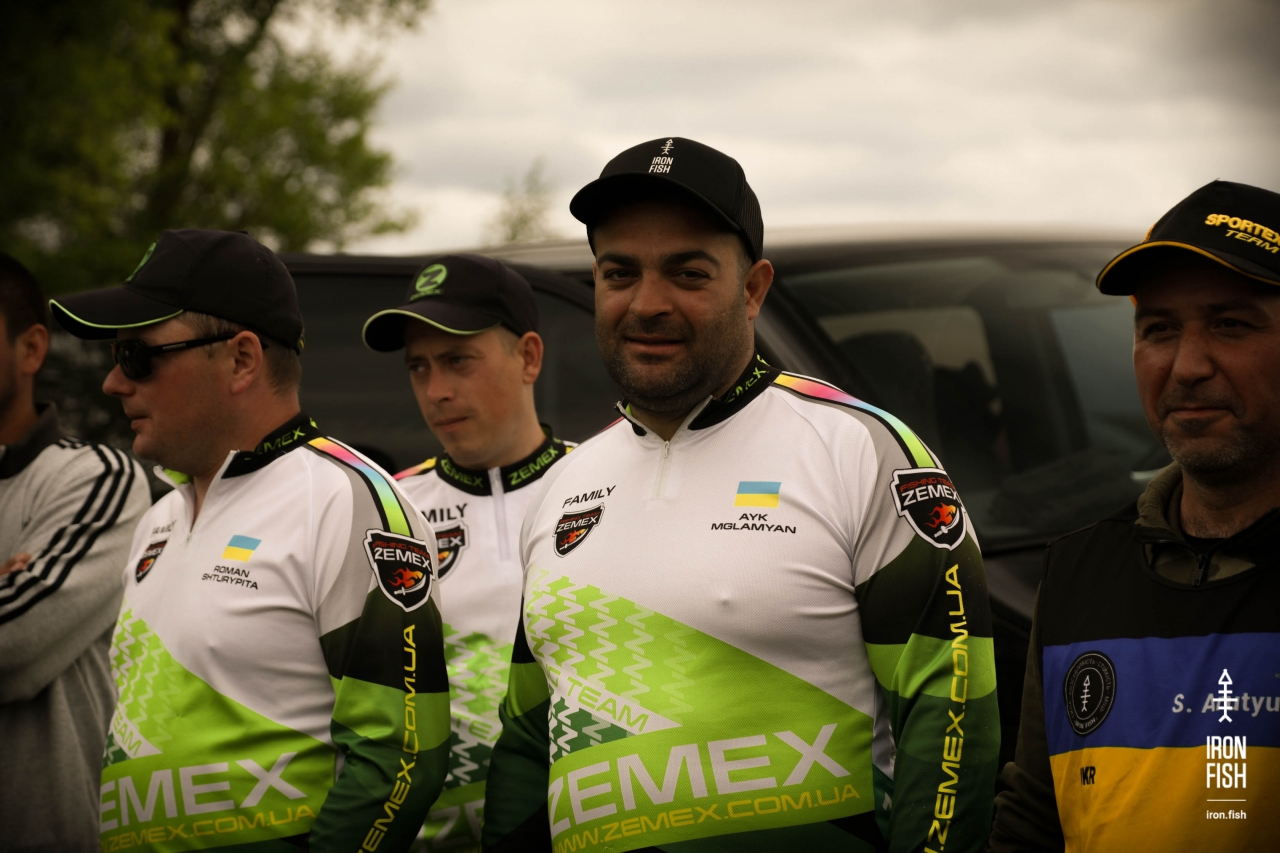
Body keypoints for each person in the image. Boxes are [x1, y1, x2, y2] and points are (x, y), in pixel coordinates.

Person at [482, 137, 999, 852]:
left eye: (688, 273)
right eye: (620, 273)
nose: (647, 303)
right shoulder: (565, 484)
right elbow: (526, 739)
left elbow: (952, 713)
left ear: (753, 289)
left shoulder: (863, 451)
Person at [48, 229, 449, 853]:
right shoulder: (159, 518)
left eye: (136, 356)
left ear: (241, 360)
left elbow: (402, 754)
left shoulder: (346, 499)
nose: (113, 383)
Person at [988, 181, 1280, 851]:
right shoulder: (1079, 570)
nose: (1187, 366)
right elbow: (1033, 815)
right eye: (1159, 330)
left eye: (1231, 325)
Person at [363, 254, 575, 851]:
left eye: (458, 360)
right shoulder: (386, 511)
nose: (436, 391)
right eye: (419, 367)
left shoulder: (604, 482)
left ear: (528, 357)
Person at [0, 253, 150, 853]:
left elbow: (12, 646)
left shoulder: (95, 477)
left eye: (136, 360)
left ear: (31, 349)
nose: (117, 383)